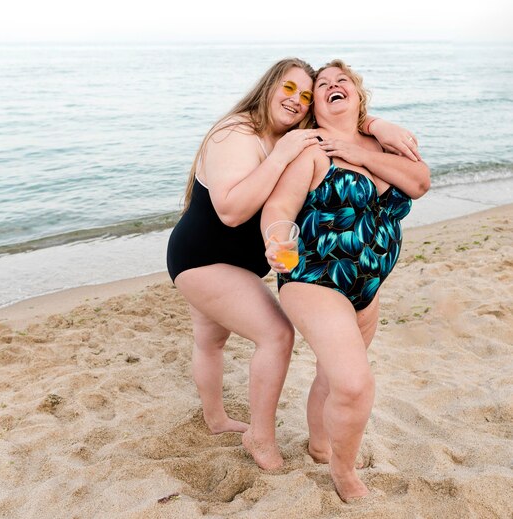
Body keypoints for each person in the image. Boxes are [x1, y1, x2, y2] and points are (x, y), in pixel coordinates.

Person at [166, 57, 421, 471]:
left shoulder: (295, 135)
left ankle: (215, 419)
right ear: (268, 87)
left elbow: (341, 115)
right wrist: (281, 154)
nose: (297, 100)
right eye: (289, 88)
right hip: (203, 259)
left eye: (305, 95)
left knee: (209, 341)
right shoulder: (237, 131)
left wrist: (375, 126)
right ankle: (260, 437)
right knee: (277, 335)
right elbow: (230, 212)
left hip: (243, 264)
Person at [261, 60, 430, 497]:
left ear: (357, 95)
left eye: (343, 81)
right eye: (323, 85)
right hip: (315, 279)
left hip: (368, 289)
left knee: (332, 376)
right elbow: (278, 207)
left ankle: (320, 443)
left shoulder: (382, 143)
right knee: (354, 384)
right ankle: (344, 471)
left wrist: (359, 149)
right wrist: (277, 238)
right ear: (315, 105)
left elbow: (420, 182)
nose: (334, 86)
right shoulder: (311, 150)